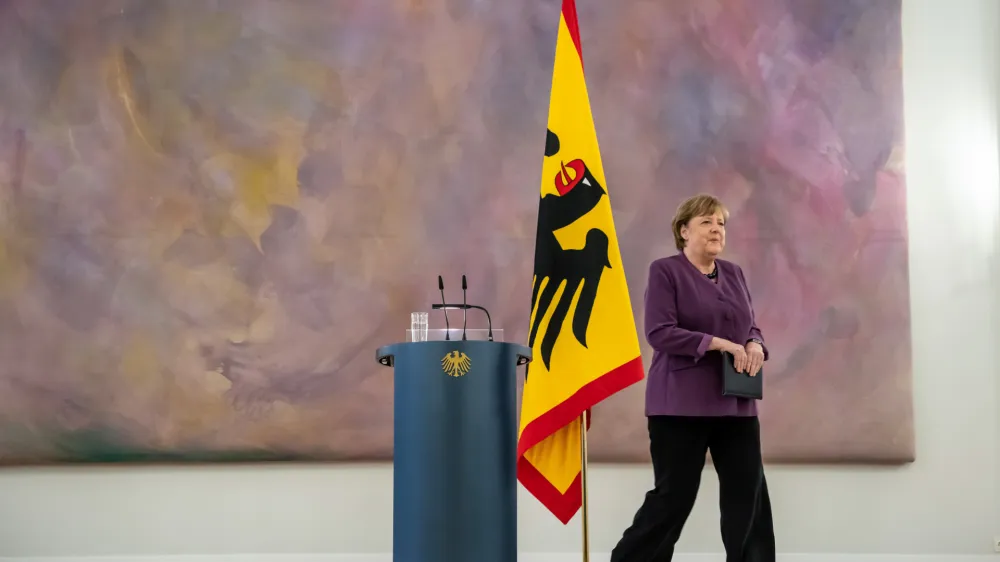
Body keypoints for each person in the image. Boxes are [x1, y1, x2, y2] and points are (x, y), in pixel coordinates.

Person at [610, 194, 776, 562]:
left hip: (736, 403)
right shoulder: (664, 271)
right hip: (679, 404)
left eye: (721, 223)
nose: (717, 229)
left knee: (748, 497)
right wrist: (719, 344)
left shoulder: (734, 273)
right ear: (684, 231)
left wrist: (755, 343)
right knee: (674, 497)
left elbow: (750, 326)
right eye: (706, 222)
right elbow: (659, 332)